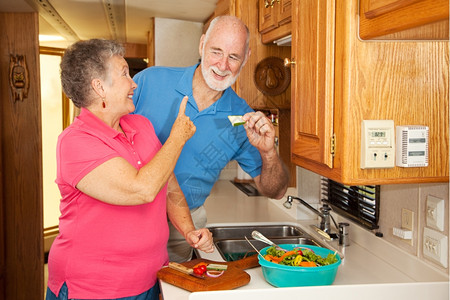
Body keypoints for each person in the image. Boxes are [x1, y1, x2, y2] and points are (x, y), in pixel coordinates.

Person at [45, 39, 213, 300]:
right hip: (94, 289)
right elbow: (142, 189)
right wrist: (177, 137)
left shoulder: (141, 125)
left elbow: (166, 184)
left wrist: (188, 230)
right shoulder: (75, 142)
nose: (134, 83)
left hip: (150, 279)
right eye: (124, 73)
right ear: (99, 86)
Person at [132, 15, 289, 263]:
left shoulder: (242, 118)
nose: (223, 65)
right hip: (128, 214)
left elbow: (276, 191)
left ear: (246, 58)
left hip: (183, 230)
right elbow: (102, 133)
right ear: (202, 44)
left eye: (234, 57)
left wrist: (269, 152)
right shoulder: (149, 81)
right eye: (216, 51)